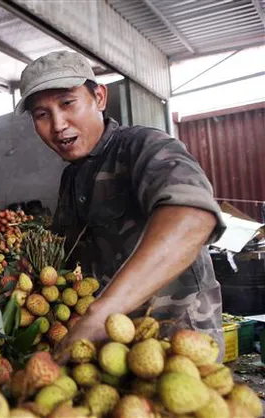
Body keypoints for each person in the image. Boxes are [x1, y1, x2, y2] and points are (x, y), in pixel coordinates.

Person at [14, 51, 227, 362]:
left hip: (175, 344)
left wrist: (103, 312)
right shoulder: (72, 178)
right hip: (112, 354)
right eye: (41, 114)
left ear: (99, 97)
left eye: (67, 103)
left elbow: (193, 216)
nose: (58, 125)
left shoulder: (144, 147)